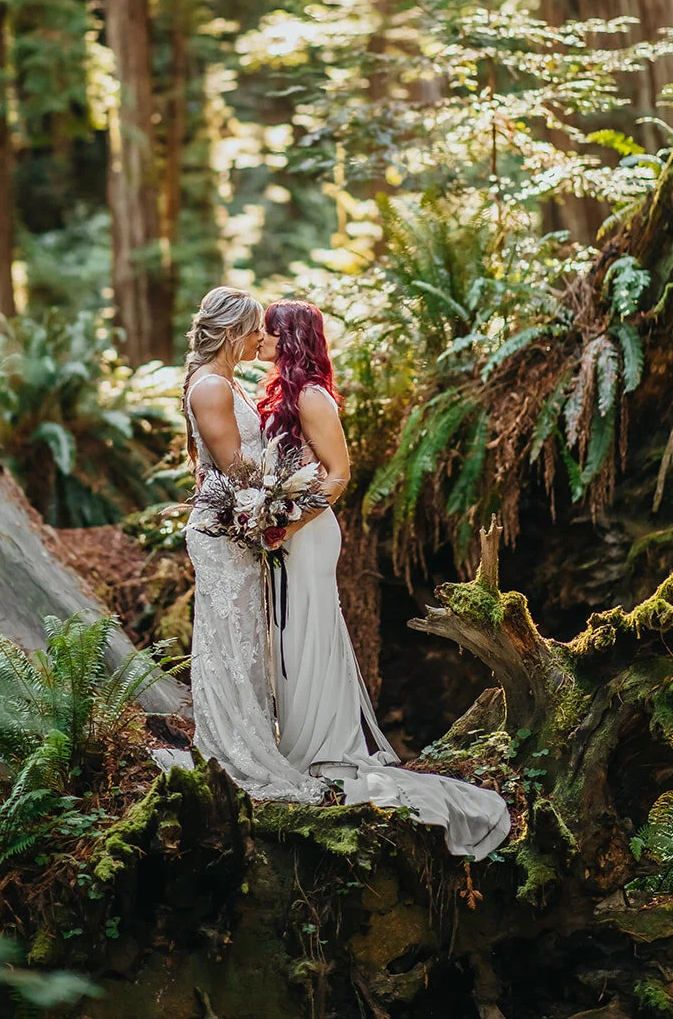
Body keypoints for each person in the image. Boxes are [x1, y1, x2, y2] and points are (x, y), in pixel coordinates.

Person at [257, 299, 511, 859]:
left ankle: (320, 743)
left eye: (268, 331)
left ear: (289, 337)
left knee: (308, 629)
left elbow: (339, 475)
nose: (259, 338)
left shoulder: (312, 397)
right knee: (288, 633)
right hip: (285, 531)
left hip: (308, 532)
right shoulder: (280, 394)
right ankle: (292, 734)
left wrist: (287, 523)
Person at [178, 286, 324, 803]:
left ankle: (252, 739)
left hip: (239, 522)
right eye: (254, 329)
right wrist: (289, 485)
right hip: (224, 529)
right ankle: (233, 751)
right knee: (230, 638)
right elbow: (235, 468)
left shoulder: (227, 382)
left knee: (245, 638)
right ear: (233, 333)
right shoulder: (211, 388)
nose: (261, 338)